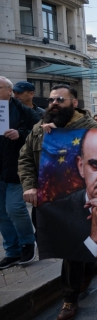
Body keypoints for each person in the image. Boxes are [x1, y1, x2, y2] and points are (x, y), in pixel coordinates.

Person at [18, 84, 97, 320]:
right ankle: (91, 266)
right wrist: (29, 186)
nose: (54, 103)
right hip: (47, 200)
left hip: (78, 200)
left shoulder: (90, 128)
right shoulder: (39, 128)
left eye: (60, 99)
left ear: (74, 103)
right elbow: (25, 158)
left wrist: (61, 141)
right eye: (52, 99)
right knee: (55, 242)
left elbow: (95, 161)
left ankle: (70, 299)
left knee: (70, 248)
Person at [0, 77, 38, 270]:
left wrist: (20, 134)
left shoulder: (25, 111)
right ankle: (12, 251)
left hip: (16, 169)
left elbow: (38, 130)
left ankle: (27, 243)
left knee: (14, 208)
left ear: (8, 90)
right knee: (2, 213)